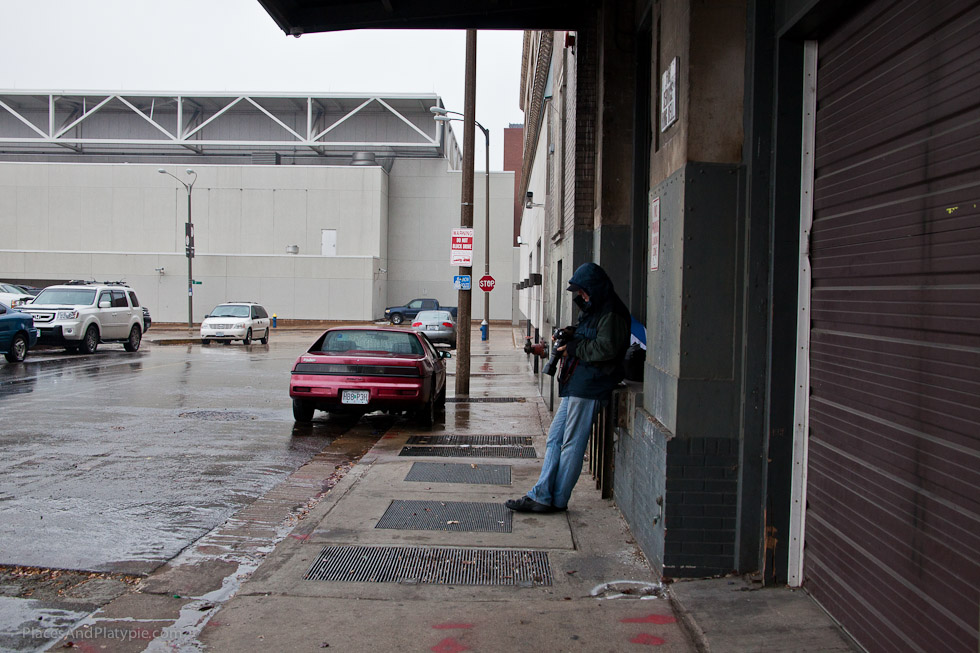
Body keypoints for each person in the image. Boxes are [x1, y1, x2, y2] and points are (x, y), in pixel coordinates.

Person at [506, 262, 631, 513]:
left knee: (572, 443)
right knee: (555, 438)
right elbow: (593, 336)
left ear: (594, 288)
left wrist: (573, 347)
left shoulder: (612, 313)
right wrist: (573, 333)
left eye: (582, 291)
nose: (580, 296)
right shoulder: (597, 309)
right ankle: (542, 495)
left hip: (591, 385)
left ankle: (557, 499)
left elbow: (606, 349)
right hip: (579, 383)